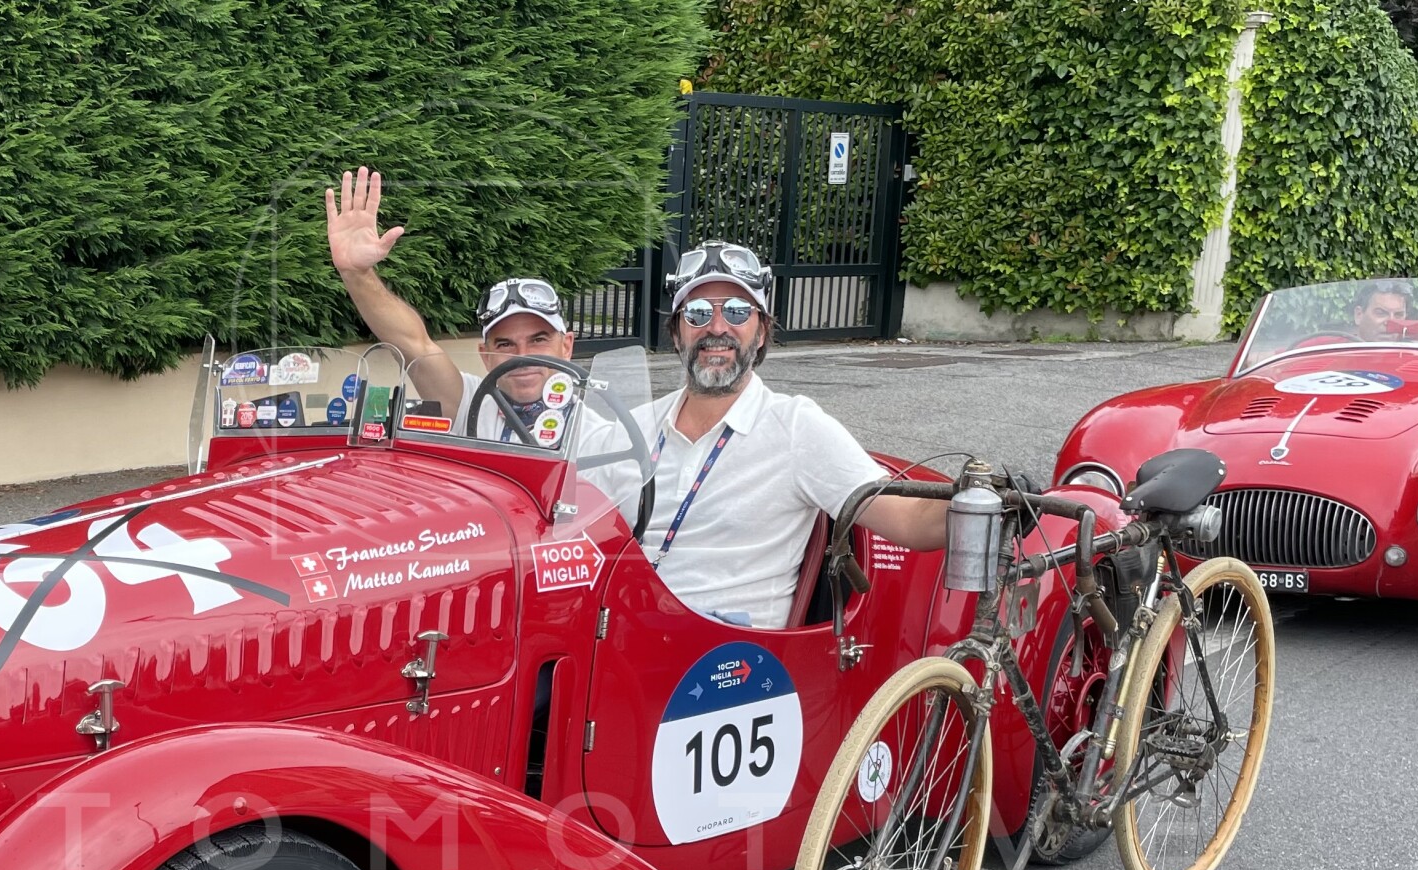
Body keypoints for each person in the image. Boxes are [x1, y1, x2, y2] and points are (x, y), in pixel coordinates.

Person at [600, 241, 949, 628]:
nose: (717, 327)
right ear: (678, 333)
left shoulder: (796, 428)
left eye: (737, 311)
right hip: (623, 630)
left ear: (762, 331)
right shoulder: (634, 427)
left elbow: (910, 520)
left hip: (729, 654)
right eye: (698, 313)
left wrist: (983, 504)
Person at [324, 167, 574, 437]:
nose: (522, 356)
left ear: (567, 346)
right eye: (505, 344)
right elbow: (414, 344)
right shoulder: (471, 405)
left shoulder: (599, 435)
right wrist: (357, 274)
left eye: (538, 340)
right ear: (485, 355)